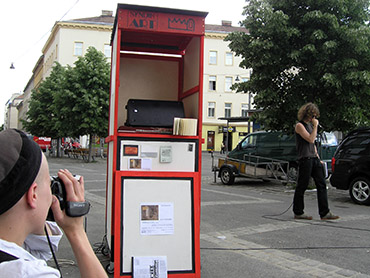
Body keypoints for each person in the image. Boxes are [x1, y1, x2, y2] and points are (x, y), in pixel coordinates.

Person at [0, 129, 108, 278]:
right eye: (49, 183)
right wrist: (76, 230)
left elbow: (39, 249)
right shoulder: (27, 274)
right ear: (33, 194)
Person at [293, 103, 339, 220]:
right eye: (312, 115)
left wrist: (318, 158)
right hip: (305, 159)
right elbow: (310, 139)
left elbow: (312, 144)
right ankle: (298, 211)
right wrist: (315, 127)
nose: (314, 118)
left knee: (321, 184)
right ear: (307, 114)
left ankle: (325, 212)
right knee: (302, 185)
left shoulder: (310, 126)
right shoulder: (300, 126)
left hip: (313, 158)